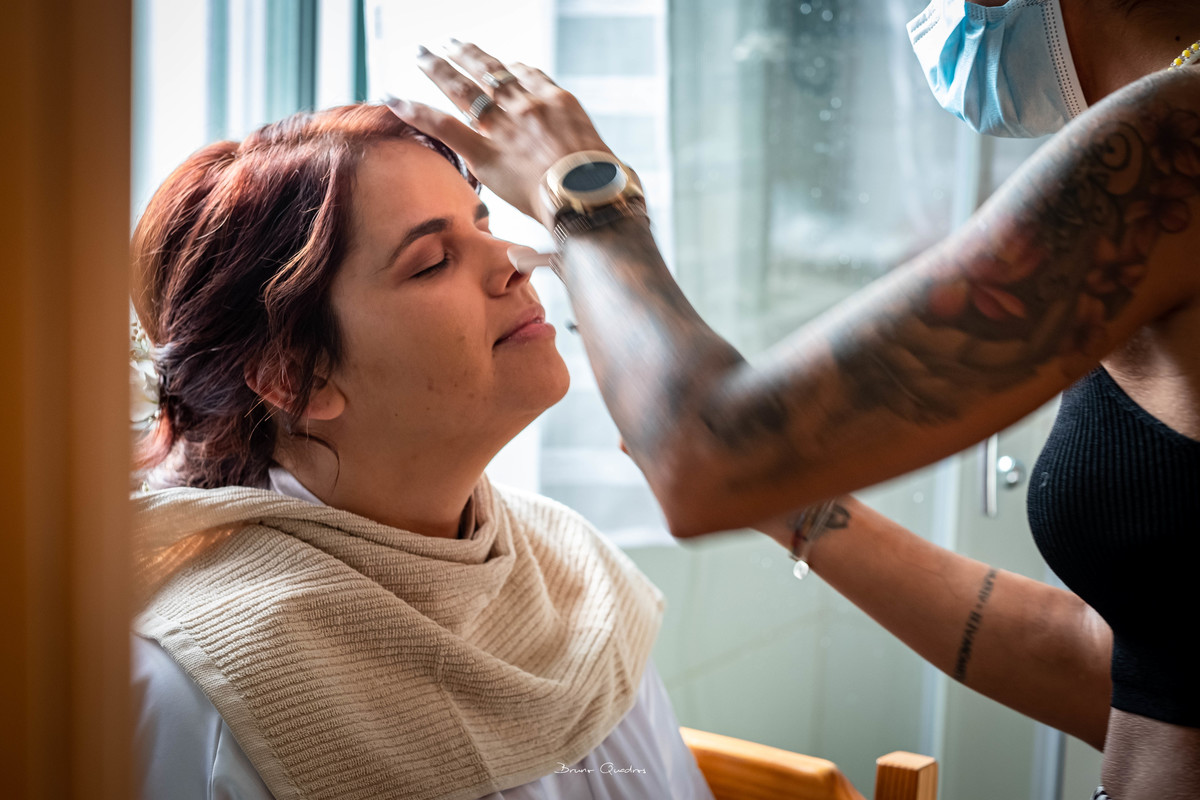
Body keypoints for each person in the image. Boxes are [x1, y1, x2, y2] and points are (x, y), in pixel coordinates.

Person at [386, 1, 1200, 797]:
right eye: (429, 261)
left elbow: (701, 457)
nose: (511, 262)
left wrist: (582, 194)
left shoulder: (1174, 147)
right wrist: (796, 508)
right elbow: (1134, 666)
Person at [129, 103, 715, 800]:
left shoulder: (577, 573)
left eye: (484, 225)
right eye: (433, 262)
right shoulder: (205, 689)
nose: (519, 261)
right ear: (295, 376)